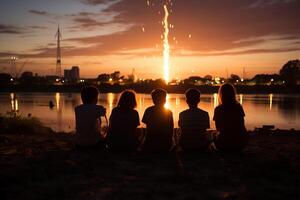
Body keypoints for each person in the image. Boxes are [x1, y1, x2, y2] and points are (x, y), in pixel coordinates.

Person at [213, 83, 248, 152]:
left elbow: (218, 128)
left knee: (213, 134)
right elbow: (242, 125)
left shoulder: (218, 109)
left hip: (223, 145)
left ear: (221, 94)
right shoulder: (238, 107)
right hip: (240, 145)